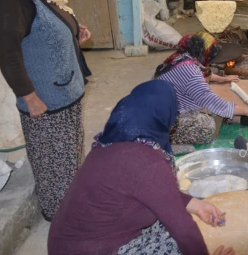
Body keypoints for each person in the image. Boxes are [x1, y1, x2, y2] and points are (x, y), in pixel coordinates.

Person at [48, 81, 235, 255]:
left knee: (173, 222)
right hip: (93, 249)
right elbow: (183, 229)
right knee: (183, 242)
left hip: (66, 243)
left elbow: (152, 189)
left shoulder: (113, 140)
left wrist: (195, 204)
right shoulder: (148, 161)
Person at [0, 0, 92, 221]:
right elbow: (8, 54)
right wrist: (29, 97)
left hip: (65, 92)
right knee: (53, 163)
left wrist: (74, 30)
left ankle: (72, 206)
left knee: (70, 157)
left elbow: (51, 20)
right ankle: (60, 218)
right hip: (45, 101)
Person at [155, 32, 248, 144]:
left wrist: (222, 79)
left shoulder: (182, 57)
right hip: (161, 121)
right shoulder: (191, 72)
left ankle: (229, 117)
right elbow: (212, 101)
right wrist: (247, 111)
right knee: (207, 127)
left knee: (204, 99)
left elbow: (203, 74)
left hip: (159, 106)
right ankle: (165, 139)